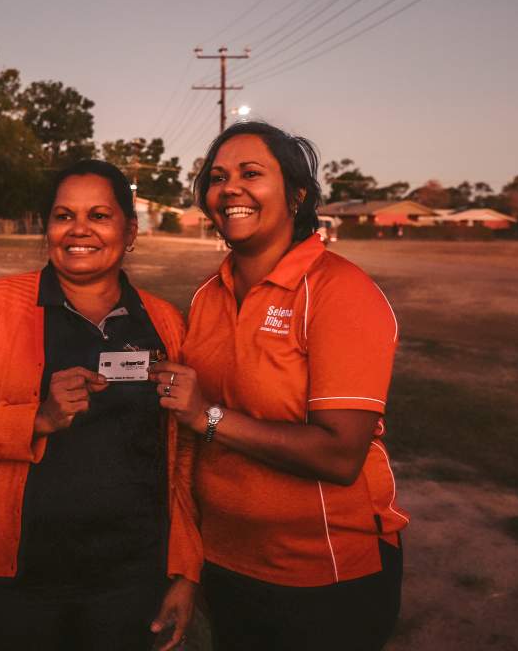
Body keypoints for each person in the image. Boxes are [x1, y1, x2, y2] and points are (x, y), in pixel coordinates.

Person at [0, 160, 200, 651]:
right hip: (15, 586)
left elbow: (183, 459)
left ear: (129, 230)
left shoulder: (163, 322)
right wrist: (38, 418)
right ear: (47, 226)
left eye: (99, 215)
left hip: (130, 581)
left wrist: (185, 571)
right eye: (63, 215)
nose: (79, 230)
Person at [150, 121, 406, 651]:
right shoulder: (207, 297)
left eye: (251, 173)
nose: (230, 189)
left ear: (297, 194)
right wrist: (187, 565)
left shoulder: (339, 291)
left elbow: (339, 456)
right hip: (227, 565)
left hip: (323, 578)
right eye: (217, 177)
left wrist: (209, 416)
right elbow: (190, 447)